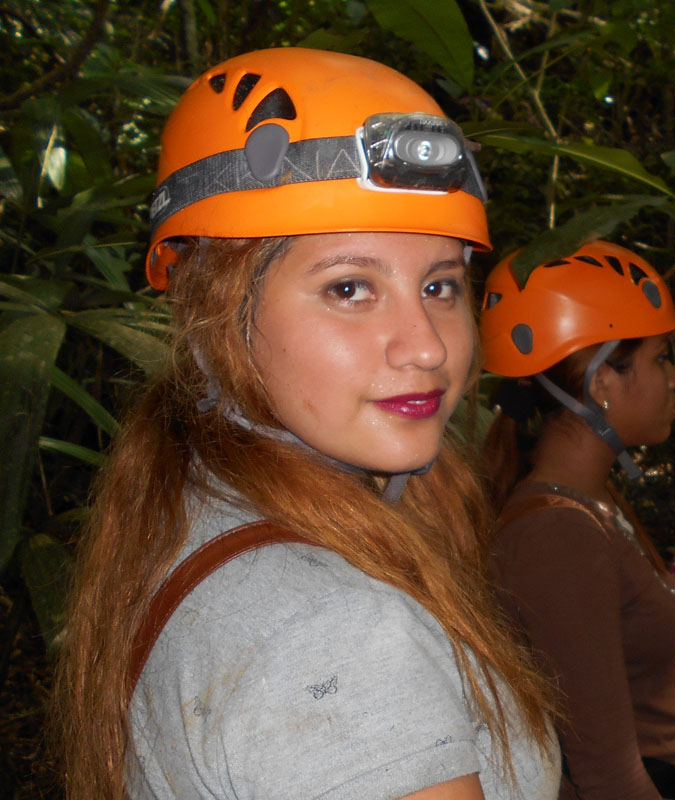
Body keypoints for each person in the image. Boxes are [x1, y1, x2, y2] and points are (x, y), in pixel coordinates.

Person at [53, 48, 559, 799]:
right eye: (350, 287)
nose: (426, 345)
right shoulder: (333, 633)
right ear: (216, 309)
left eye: (440, 284)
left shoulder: (193, 502)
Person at [480, 241, 675, 800]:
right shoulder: (559, 536)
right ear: (602, 383)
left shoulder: (590, 503)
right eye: (661, 358)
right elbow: (610, 776)